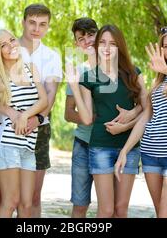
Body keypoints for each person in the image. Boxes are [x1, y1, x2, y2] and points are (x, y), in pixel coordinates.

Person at [0, 4, 62, 218]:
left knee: (31, 199)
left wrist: (36, 118)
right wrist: (12, 113)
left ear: (48, 27)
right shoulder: (3, 48)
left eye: (42, 24)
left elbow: (50, 94)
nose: (36, 28)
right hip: (7, 129)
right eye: (32, 23)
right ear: (23, 22)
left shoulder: (51, 57)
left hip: (38, 130)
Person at [114, 26, 167, 218]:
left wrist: (165, 68)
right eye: (166, 46)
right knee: (161, 213)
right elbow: (146, 118)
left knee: (166, 215)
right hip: (151, 154)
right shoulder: (158, 82)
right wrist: (125, 150)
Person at [67, 24, 147, 218]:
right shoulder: (88, 77)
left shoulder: (133, 73)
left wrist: (129, 118)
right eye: (102, 42)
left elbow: (147, 107)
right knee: (106, 210)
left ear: (119, 46)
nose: (106, 47)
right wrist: (74, 85)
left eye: (112, 43)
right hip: (100, 147)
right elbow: (86, 118)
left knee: (121, 210)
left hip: (129, 147)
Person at [64, 17, 98, 218]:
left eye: (91, 34)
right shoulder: (77, 72)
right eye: (81, 38)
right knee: (79, 206)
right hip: (83, 145)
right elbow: (68, 113)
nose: (87, 40)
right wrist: (89, 118)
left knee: (110, 208)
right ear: (76, 44)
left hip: (111, 144)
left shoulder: (117, 68)